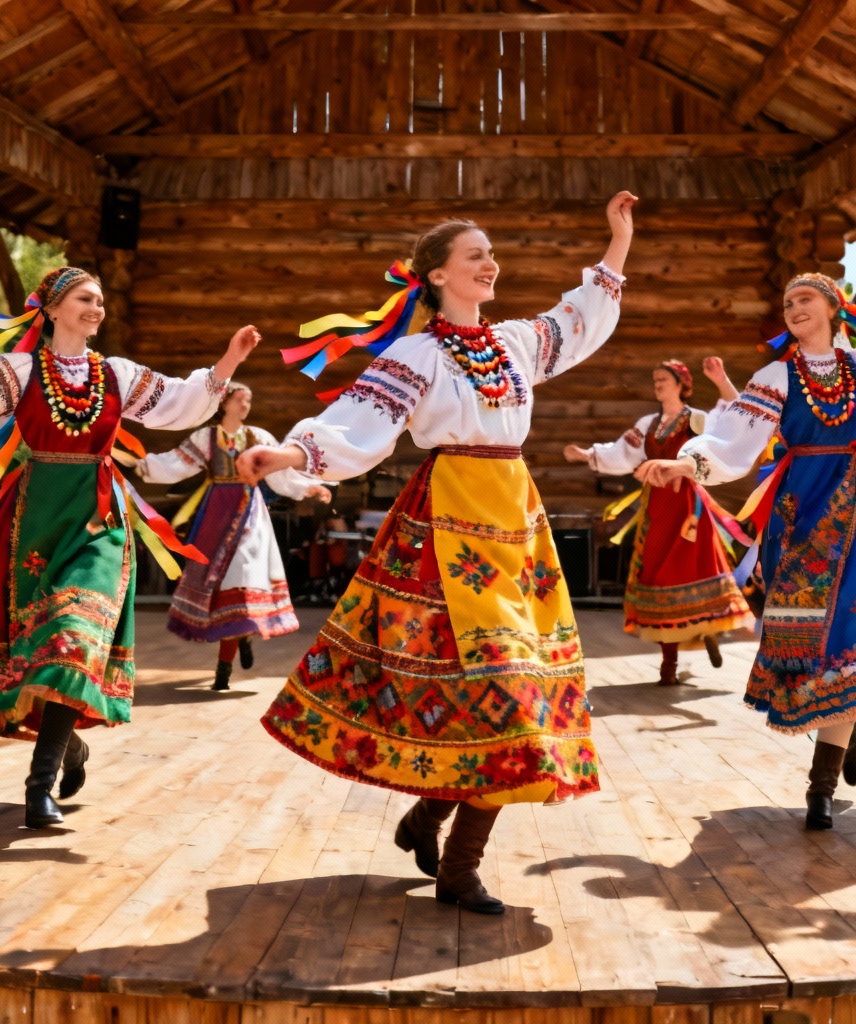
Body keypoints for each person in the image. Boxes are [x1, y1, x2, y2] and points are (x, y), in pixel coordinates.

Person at [236, 190, 637, 913]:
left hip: (515, 523)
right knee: (501, 699)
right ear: (439, 275)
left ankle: (432, 823)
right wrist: (290, 453)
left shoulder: (514, 342)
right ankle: (457, 867)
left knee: (516, 695)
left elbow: (579, 322)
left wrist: (618, 241)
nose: (491, 263)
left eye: (490, 254)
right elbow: (361, 422)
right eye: (475, 254)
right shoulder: (417, 354)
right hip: (447, 526)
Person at [0, 269, 259, 828]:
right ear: (52, 309)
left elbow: (178, 403)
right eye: (85, 299)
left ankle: (39, 789)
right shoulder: (22, 370)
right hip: (33, 523)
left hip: (99, 520)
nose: (96, 308)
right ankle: (69, 745)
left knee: (73, 638)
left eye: (101, 301)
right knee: (40, 650)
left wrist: (228, 361)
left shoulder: (116, 375)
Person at [637, 255, 856, 830]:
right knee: (808, 643)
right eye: (787, 304)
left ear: (832, 308)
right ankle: (848, 730)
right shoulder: (775, 377)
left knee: (851, 628)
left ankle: (819, 789)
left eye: (806, 299)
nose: (795, 308)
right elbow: (732, 435)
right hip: (798, 512)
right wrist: (684, 464)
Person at [563, 357, 753, 684]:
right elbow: (621, 451)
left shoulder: (694, 420)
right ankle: (672, 658)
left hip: (687, 509)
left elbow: (730, 426)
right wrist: (587, 454)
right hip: (657, 509)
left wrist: (722, 381)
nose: (658, 383)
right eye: (655, 378)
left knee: (690, 571)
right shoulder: (648, 424)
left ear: (681, 384)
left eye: (664, 378)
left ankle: (691, 645)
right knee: (657, 575)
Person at [131, 381, 332, 691]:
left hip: (250, 514)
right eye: (240, 399)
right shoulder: (206, 438)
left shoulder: (259, 438)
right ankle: (242, 638)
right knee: (221, 584)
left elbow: (279, 473)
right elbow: (178, 463)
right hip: (216, 515)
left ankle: (225, 666)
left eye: (248, 399)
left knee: (244, 576)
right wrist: (143, 465)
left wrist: (308, 488)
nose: (245, 405)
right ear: (224, 403)